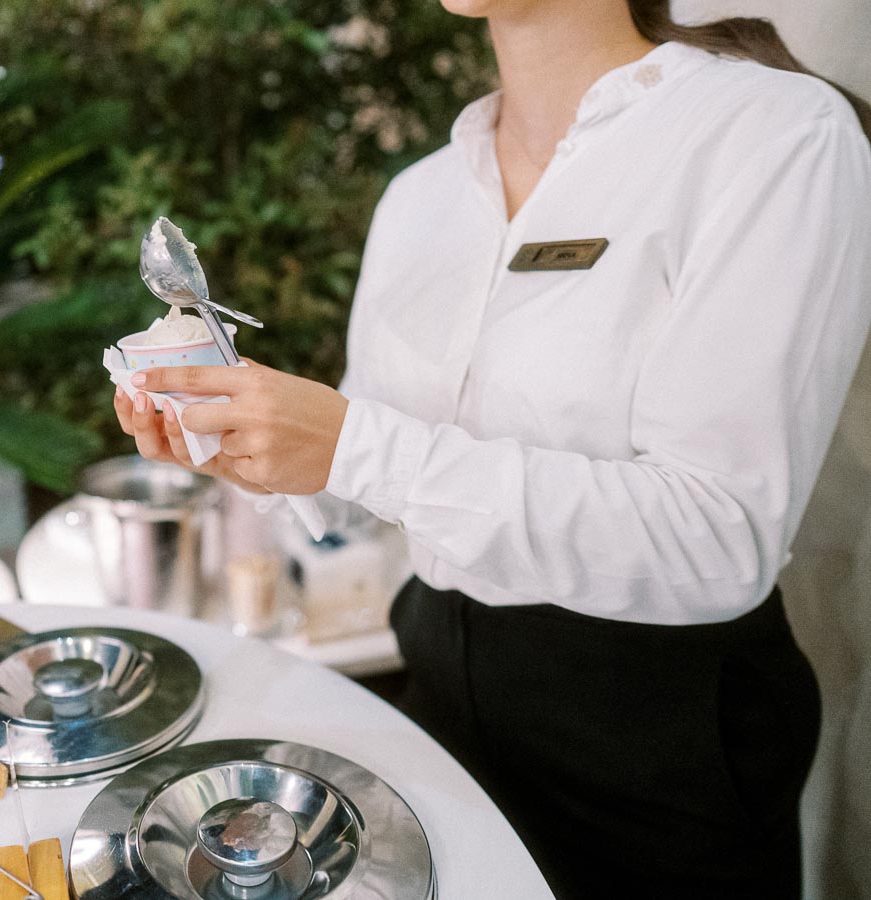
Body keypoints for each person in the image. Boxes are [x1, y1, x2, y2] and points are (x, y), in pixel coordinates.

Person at [113, 0, 871, 897]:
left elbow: (718, 536)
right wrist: (253, 447)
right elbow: (376, 483)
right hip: (437, 691)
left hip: (660, 737)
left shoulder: (774, 134)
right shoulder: (422, 195)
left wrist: (355, 445)